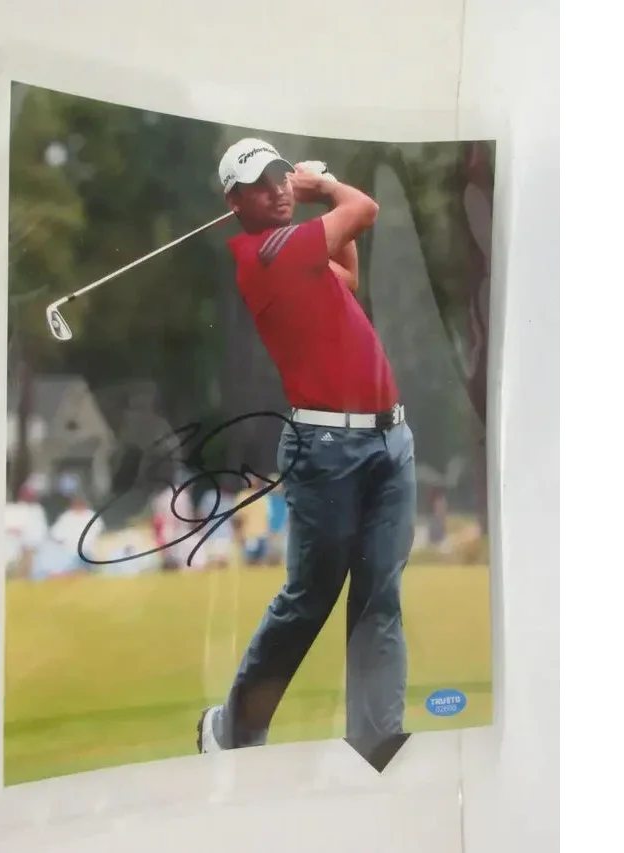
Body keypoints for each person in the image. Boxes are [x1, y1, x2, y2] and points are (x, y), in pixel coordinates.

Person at [197, 138, 417, 763]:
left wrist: (318, 194)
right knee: (310, 597)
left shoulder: (301, 257)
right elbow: (364, 210)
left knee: (381, 594)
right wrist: (322, 183)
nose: (278, 189)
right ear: (234, 202)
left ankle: (376, 740)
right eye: (261, 183)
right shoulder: (265, 250)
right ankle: (232, 729)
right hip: (327, 449)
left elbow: (347, 271)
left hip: (388, 439)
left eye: (281, 177)